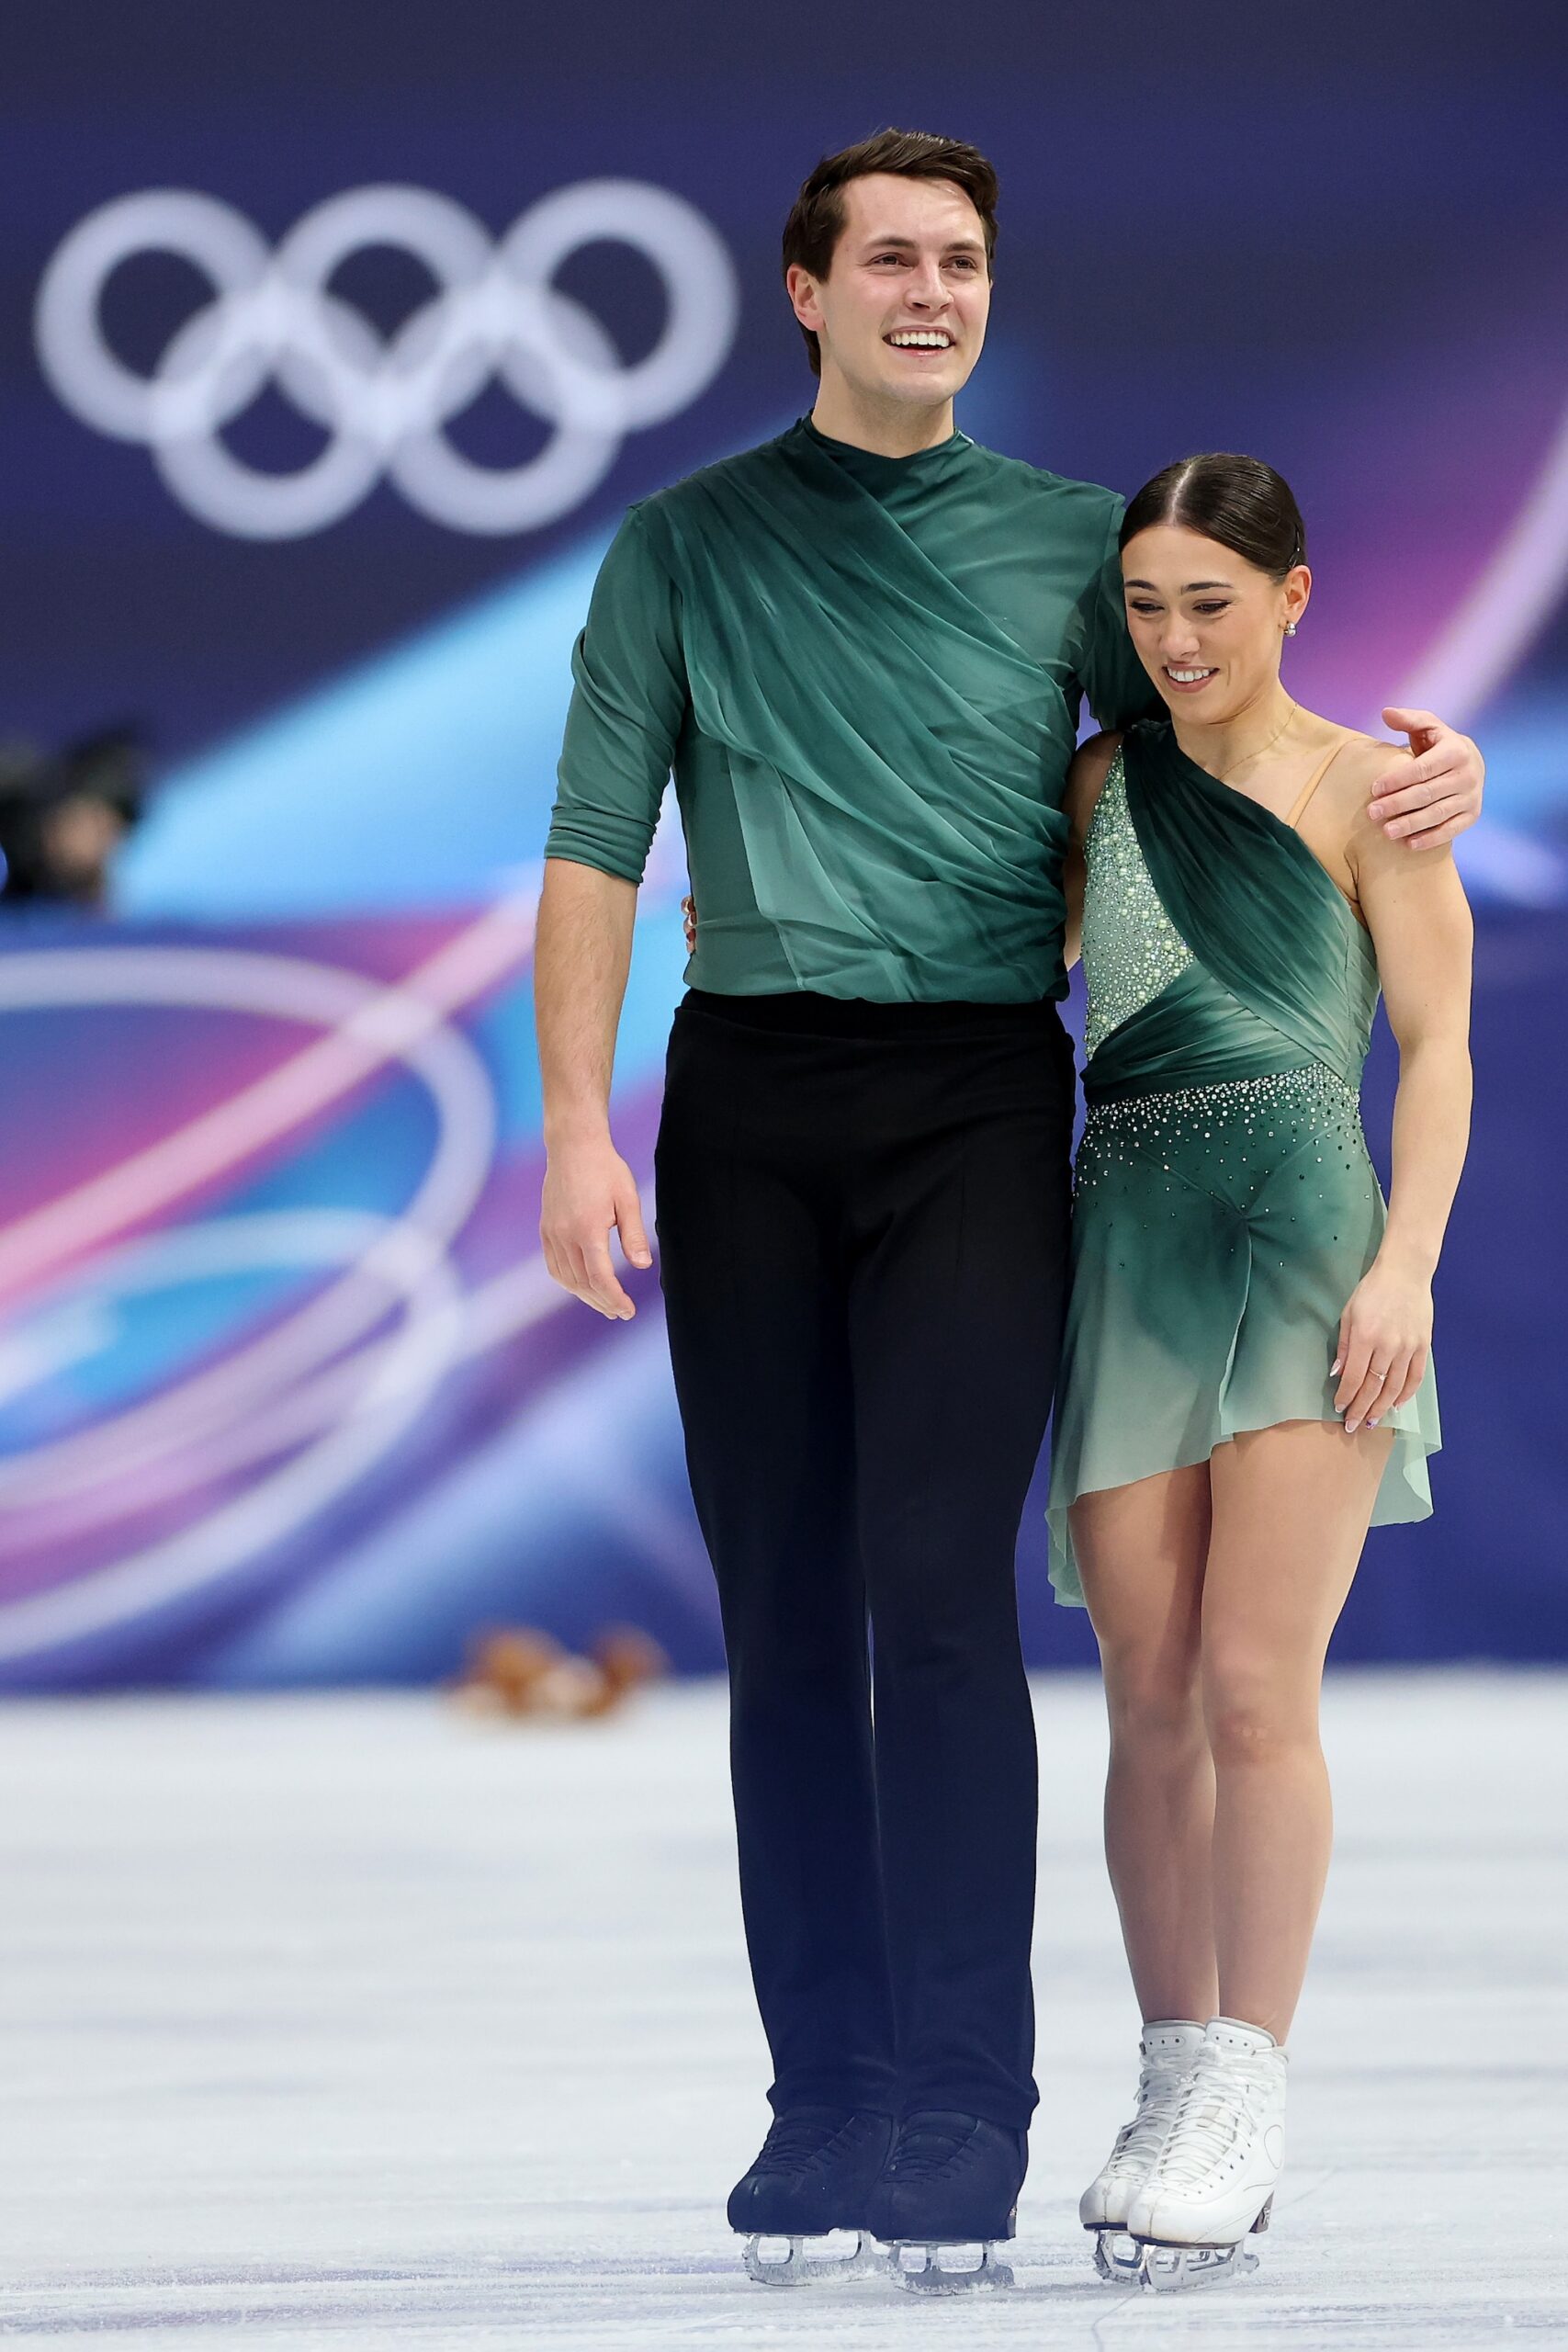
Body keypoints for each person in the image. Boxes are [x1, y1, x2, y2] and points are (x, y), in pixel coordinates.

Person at [534, 130, 1484, 2294]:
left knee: (941, 1596)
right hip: (746, 1098)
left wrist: (1427, 769)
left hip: (973, 1099)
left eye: (960, 260)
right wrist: (578, 1121)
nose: (930, 291)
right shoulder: (677, 547)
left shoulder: (1075, 545)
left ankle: (968, 2096)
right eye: (887, 259)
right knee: (783, 1619)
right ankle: (824, 2096)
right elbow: (596, 838)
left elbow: (1235, 708)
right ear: (803, 290)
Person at [1049, 453, 1472, 2291]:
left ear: (1291, 596)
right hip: (1125, 1237)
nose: (1171, 639)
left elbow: (1436, 1040)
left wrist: (1404, 1265)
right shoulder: (1097, 781)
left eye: (1205, 602)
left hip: (1303, 1245)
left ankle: (1246, 2083)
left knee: (1245, 1687)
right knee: (1142, 1684)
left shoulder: (1374, 785)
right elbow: (1000, 953)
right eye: (1141, 605)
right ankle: (1165, 2071)